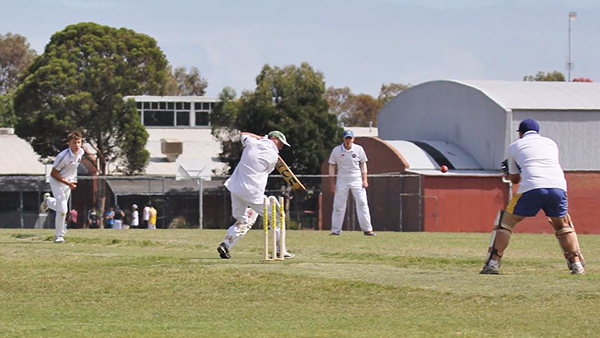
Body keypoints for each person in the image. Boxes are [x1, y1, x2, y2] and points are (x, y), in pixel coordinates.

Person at [481, 118, 585, 275]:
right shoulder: (550, 143)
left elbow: (515, 179)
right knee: (562, 225)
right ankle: (576, 264)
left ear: (521, 133)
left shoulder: (515, 146)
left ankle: (493, 263)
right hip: (558, 186)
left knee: (506, 223)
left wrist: (508, 174)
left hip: (532, 187)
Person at [217, 131, 295, 259]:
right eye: (280, 143)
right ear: (273, 138)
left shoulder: (251, 143)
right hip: (252, 192)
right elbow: (268, 170)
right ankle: (280, 250)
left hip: (235, 187)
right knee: (277, 216)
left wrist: (260, 137)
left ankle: (226, 244)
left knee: (243, 220)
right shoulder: (272, 155)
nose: (281, 146)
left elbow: (243, 134)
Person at [328, 130, 376, 236]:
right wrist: (332, 183)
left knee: (362, 203)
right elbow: (332, 166)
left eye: (350, 138)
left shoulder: (359, 149)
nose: (348, 140)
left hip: (356, 178)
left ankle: (368, 229)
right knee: (338, 205)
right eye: (346, 138)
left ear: (353, 139)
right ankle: (335, 230)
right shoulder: (336, 150)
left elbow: (363, 164)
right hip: (342, 179)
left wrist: (365, 179)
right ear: (343, 139)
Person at [40, 131, 85, 243]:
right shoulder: (62, 156)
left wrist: (70, 182)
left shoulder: (81, 152)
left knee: (61, 207)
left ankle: (48, 201)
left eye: (79, 142)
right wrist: (68, 183)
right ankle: (58, 236)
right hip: (57, 182)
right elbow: (53, 174)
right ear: (69, 143)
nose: (77, 145)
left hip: (67, 183)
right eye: (74, 143)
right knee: (63, 210)